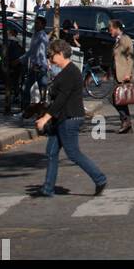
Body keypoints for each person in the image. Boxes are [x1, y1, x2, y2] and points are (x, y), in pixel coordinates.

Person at [32, 40, 107, 198]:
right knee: (51, 152)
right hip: (61, 118)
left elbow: (61, 100)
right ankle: (48, 188)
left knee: (73, 153)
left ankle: (100, 178)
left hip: (69, 118)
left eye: (52, 56)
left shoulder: (70, 73)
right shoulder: (66, 71)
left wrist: (45, 118)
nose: (50, 59)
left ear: (60, 53)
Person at [109, 19, 134, 133]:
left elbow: (130, 57)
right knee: (120, 99)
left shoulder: (125, 39)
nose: (109, 32)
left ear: (116, 28)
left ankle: (126, 121)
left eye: (110, 29)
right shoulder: (117, 40)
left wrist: (127, 73)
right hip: (117, 74)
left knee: (116, 98)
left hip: (124, 74)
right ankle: (126, 123)